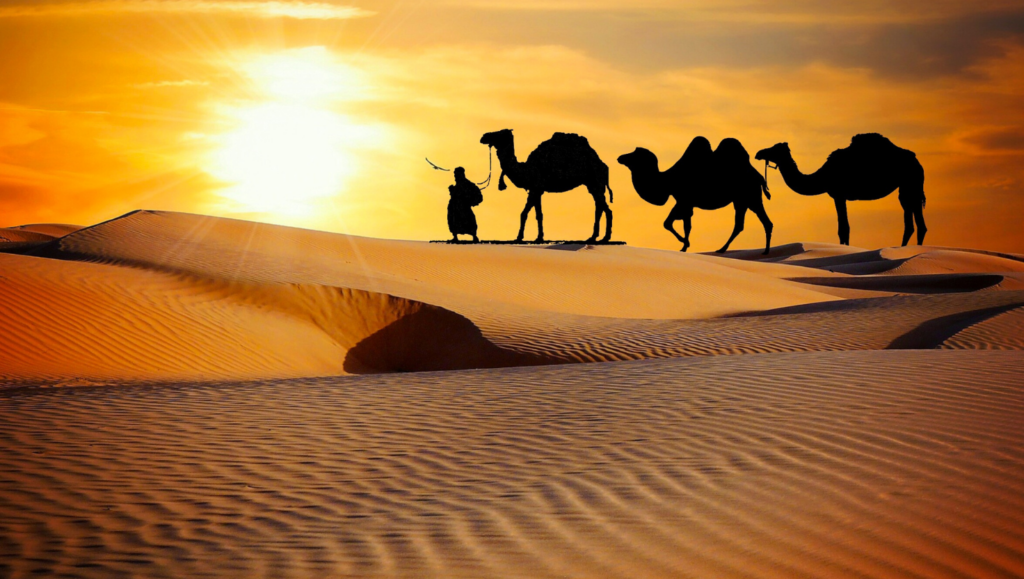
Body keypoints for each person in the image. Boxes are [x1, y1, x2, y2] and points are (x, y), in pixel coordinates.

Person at [447, 167, 483, 242]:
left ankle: (474, 236)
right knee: (453, 220)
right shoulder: (458, 185)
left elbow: (478, 196)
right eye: (455, 175)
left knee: (469, 221)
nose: (455, 177)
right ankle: (455, 236)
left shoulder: (468, 185)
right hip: (455, 209)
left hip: (464, 208)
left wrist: (471, 202)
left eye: (456, 175)